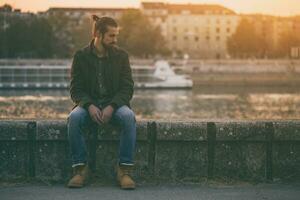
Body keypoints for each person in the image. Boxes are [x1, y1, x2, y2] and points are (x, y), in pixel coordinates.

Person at [67, 15, 136, 190]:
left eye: (116, 36)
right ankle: (81, 169)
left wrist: (112, 106)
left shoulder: (121, 56)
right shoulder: (81, 56)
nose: (115, 40)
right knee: (74, 118)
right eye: (111, 36)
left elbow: (127, 88)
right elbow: (75, 89)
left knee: (129, 117)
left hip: (114, 105)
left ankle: (124, 170)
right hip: (88, 105)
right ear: (98, 33)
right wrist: (89, 105)